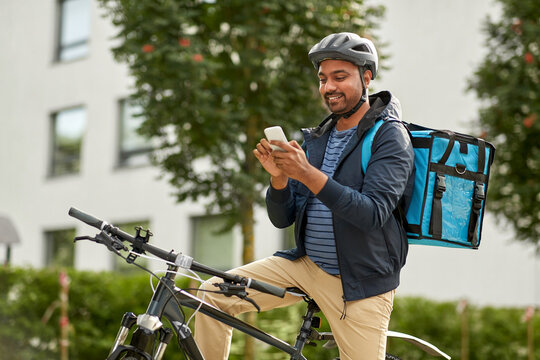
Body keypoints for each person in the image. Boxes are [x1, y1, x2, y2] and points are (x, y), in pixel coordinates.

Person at [194, 32, 415, 360]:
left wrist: (307, 173)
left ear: (366, 77)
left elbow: (371, 213)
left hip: (359, 282)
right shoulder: (317, 138)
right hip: (305, 265)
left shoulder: (390, 137)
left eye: (340, 77)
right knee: (211, 295)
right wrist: (280, 179)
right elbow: (283, 217)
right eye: (323, 78)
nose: (328, 87)